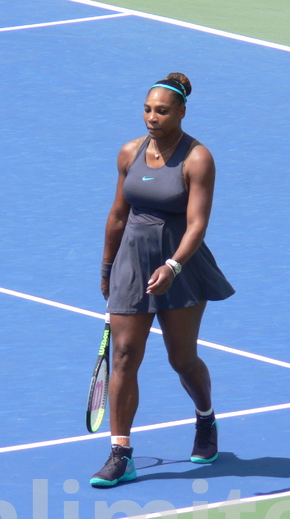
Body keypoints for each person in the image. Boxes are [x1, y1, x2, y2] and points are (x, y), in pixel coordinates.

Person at [90, 72, 234, 488]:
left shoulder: (197, 158)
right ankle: (121, 454)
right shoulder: (129, 152)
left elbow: (197, 224)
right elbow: (118, 214)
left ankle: (205, 419)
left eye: (162, 111)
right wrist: (107, 268)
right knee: (124, 356)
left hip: (181, 266)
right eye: (148, 109)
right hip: (132, 264)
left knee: (181, 359)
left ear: (182, 112)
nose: (152, 117)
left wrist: (173, 266)